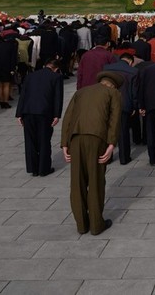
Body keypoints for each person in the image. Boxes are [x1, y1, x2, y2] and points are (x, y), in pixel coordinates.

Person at [60, 71, 122, 236]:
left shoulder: (81, 92)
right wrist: (111, 145)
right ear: (113, 85)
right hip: (97, 139)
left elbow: (68, 118)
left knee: (77, 182)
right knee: (95, 181)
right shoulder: (113, 93)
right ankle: (96, 225)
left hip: (75, 139)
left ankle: (81, 224)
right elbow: (114, 120)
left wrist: (64, 144)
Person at [16, 57, 63, 176]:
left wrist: (19, 113)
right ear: (56, 69)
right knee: (44, 140)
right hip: (44, 112)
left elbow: (23, 95)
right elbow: (58, 97)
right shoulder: (56, 77)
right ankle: (44, 168)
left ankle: (33, 168)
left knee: (30, 141)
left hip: (28, 111)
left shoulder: (30, 76)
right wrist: (57, 115)